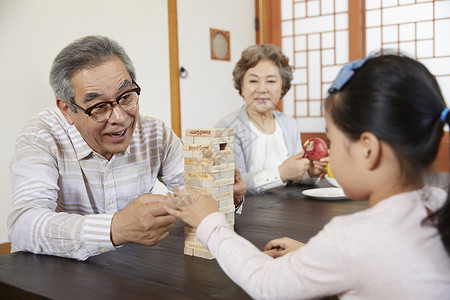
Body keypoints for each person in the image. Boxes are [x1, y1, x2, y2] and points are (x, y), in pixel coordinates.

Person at [166, 53, 450, 299]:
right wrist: (314, 254)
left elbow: (266, 283)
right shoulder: (437, 202)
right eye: (253, 80)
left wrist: (210, 223)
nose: (262, 89)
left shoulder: (351, 237)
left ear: (368, 149)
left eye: (332, 139)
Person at [8, 35, 245, 261]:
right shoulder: (41, 136)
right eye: (99, 106)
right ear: (67, 110)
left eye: (126, 96)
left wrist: (225, 194)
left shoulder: (155, 133)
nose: (120, 118)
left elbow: (193, 193)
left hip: (132, 272)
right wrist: (116, 227)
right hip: (56, 276)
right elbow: (23, 224)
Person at [216, 44, 328, 195]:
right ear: (242, 87)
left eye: (271, 81)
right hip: (246, 212)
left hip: (286, 207)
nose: (262, 89)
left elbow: (295, 176)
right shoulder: (227, 127)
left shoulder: (289, 123)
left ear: (282, 87)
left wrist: (310, 173)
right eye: (253, 81)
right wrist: (280, 174)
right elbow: (232, 184)